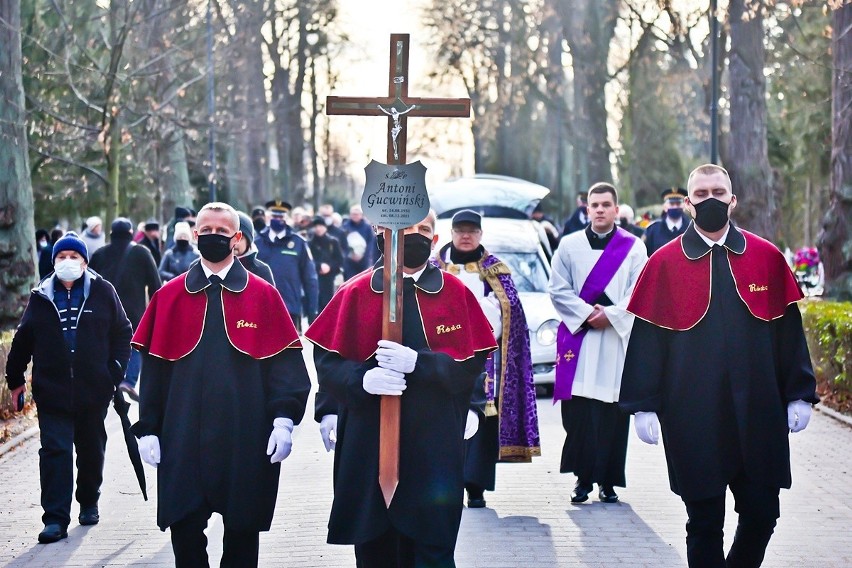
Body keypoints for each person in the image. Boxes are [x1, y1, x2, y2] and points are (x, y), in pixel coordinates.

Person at [619, 164, 819, 568]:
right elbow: (647, 341)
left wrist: (800, 393)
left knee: (763, 513)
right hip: (693, 412)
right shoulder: (664, 263)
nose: (710, 199)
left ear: (733, 199)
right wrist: (643, 404)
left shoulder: (765, 257)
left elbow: (788, 332)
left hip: (759, 410)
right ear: (688, 202)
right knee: (705, 521)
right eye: (701, 192)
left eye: (718, 191)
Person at [306, 210, 497, 568]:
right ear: (382, 234)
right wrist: (360, 380)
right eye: (403, 228)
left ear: (436, 240)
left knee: (433, 546)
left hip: (433, 441)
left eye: (423, 229)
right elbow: (328, 363)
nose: (413, 236)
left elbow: (471, 364)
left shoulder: (455, 294)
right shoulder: (355, 291)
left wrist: (421, 364)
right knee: (374, 548)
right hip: (369, 440)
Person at [131, 202, 311, 568]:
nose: (213, 236)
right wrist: (148, 427)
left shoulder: (263, 295)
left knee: (243, 531)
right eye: (206, 231)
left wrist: (283, 419)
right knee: (184, 528)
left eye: (222, 231)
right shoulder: (169, 297)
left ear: (238, 238)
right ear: (195, 236)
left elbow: (286, 367)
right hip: (181, 435)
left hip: (245, 433)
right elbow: (154, 371)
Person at [5, 232, 132, 544]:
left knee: (91, 450)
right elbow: (22, 340)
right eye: (61, 257)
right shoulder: (41, 296)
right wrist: (16, 380)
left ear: (85, 262)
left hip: (93, 391)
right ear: (53, 262)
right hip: (52, 391)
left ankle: (89, 501)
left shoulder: (103, 291)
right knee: (55, 452)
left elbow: (123, 332)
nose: (68, 262)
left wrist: (114, 372)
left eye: (74, 257)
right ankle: (55, 519)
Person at [548, 182, 648, 504]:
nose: (601, 209)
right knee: (578, 416)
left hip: (613, 344)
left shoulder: (634, 248)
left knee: (612, 417)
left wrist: (613, 315)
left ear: (617, 210)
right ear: (587, 209)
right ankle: (582, 480)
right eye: (595, 205)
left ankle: (608, 482)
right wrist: (587, 314)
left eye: (607, 204)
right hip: (579, 342)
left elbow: (639, 292)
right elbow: (557, 289)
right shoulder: (568, 245)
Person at [434, 209, 540, 509]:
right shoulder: (435, 267)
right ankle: (445, 483)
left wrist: (476, 310)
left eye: (472, 231)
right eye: (460, 230)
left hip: (484, 359)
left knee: (480, 420)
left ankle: (476, 486)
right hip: (442, 356)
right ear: (451, 233)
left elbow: (507, 312)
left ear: (480, 234)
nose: (465, 236)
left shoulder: (496, 270)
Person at [88, 218, 162, 401]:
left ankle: (109, 381)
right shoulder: (142, 253)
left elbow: (87, 285)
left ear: (111, 234)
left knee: (108, 345)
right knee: (136, 345)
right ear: (131, 233)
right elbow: (155, 285)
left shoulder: (99, 254)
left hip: (104, 311)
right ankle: (128, 381)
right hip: (133, 311)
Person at [255, 200, 318, 331]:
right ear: (268, 217)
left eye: (281, 217)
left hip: (290, 307)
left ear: (286, 218)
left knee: (289, 350)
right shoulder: (257, 243)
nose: (278, 220)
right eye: (274, 216)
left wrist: (312, 310)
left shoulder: (298, 243)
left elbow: (310, 278)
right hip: (261, 307)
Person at [308, 216, 344, 314]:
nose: (318, 228)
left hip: (330, 279)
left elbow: (340, 260)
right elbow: (307, 262)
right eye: (316, 226)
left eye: (320, 225)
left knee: (330, 308)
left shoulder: (333, 242)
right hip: (315, 279)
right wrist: (319, 266)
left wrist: (330, 267)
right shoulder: (309, 243)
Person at [642, 187, 688, 255]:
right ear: (665, 207)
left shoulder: (692, 228)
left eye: (678, 204)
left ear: (684, 206)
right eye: (671, 204)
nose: (675, 207)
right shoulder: (653, 230)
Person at [236, 211, 275, 285]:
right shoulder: (215, 268)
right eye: (231, 237)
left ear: (248, 241)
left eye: (240, 238)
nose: (235, 243)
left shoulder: (261, 270)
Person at [342, 204, 377, 280]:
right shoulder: (345, 226)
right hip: (349, 261)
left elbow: (370, 243)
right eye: (353, 214)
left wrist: (364, 256)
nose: (355, 216)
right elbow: (342, 243)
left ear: (361, 215)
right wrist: (350, 254)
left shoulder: (367, 227)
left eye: (357, 214)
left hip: (364, 261)